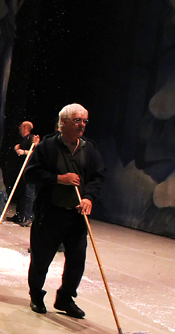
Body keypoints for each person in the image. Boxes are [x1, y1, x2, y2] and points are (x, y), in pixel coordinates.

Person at [25, 103, 106, 318]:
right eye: (77, 120)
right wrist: (58, 179)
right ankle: (36, 295)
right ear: (63, 123)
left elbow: (98, 177)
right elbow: (31, 174)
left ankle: (65, 298)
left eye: (84, 121)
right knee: (41, 259)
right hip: (50, 214)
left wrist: (88, 197)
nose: (82, 125)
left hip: (76, 216)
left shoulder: (89, 148)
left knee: (77, 260)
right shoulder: (47, 147)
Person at [8, 120, 40, 226]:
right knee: (21, 192)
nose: (19, 129)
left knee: (28, 193)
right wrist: (17, 148)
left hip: (30, 170)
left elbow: (36, 152)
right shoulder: (24, 140)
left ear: (25, 127)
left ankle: (28, 217)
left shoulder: (31, 138)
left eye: (21, 127)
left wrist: (24, 152)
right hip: (22, 170)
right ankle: (20, 215)